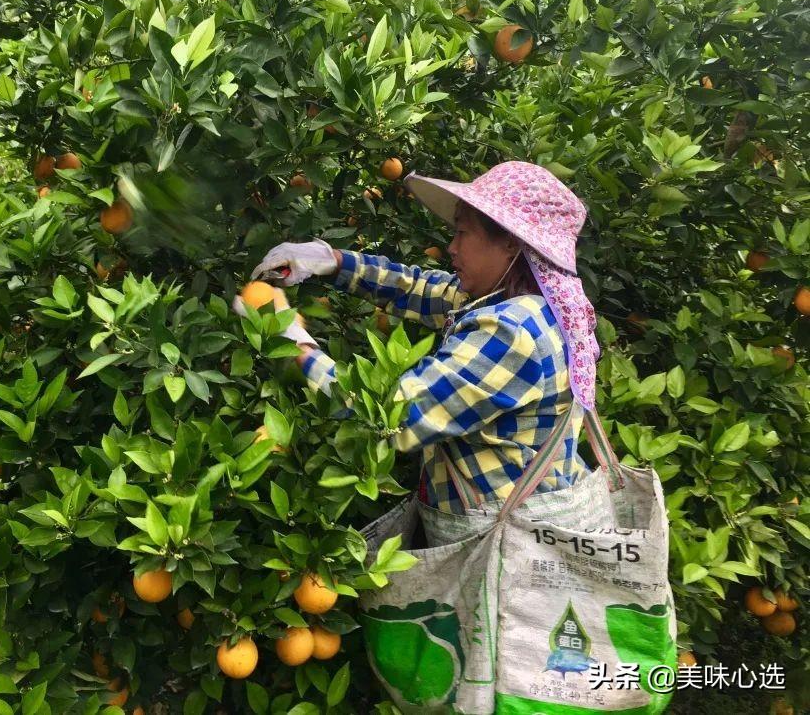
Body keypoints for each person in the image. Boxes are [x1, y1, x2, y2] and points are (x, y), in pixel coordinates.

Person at [242, 161, 602, 513]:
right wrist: (331, 260)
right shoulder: (543, 303)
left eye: (462, 233)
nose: (452, 247)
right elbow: (418, 288)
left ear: (509, 244)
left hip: (502, 543)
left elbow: (392, 417)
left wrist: (292, 339)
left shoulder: (514, 333)